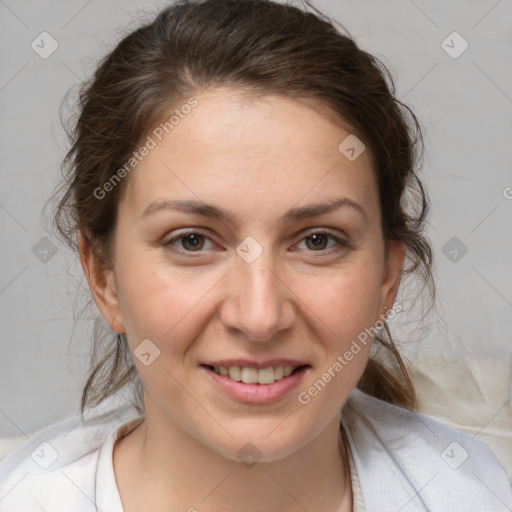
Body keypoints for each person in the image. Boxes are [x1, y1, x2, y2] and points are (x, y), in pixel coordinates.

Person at [0, 0, 510, 510]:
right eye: (192, 241)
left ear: (386, 278)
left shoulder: (471, 494)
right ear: (103, 276)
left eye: (317, 240)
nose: (260, 317)